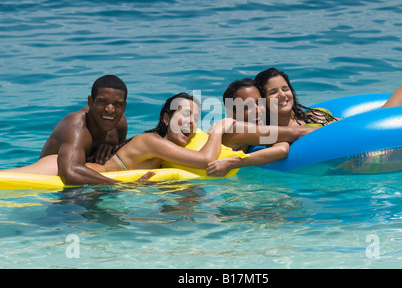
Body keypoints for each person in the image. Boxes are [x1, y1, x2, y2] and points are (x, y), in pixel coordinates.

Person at [254, 68, 402, 173]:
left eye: (285, 89)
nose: (282, 95)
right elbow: (279, 150)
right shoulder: (280, 129)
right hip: (368, 156)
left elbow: (347, 125)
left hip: (373, 139)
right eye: (273, 92)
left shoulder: (309, 114)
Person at [3, 93, 234, 180]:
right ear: (166, 119)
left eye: (196, 117)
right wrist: (217, 130)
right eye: (185, 114)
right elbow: (206, 161)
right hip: (59, 167)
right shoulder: (152, 142)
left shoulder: (159, 144)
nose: (192, 122)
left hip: (86, 172)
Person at [1, 75, 140, 185]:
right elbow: (70, 173)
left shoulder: (120, 124)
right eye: (102, 102)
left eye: (118, 104)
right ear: (90, 102)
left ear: (125, 106)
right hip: (55, 185)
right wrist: (122, 185)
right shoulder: (76, 128)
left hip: (89, 182)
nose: (110, 110)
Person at [206, 78, 316, 176]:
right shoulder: (236, 128)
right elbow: (297, 134)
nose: (258, 111)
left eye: (260, 103)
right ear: (231, 112)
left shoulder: (257, 131)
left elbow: (281, 149)